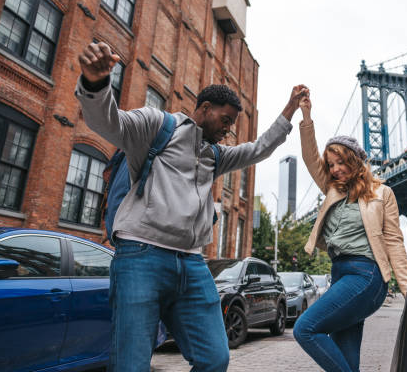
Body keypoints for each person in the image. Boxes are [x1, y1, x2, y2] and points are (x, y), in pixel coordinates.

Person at [75, 42, 307, 372]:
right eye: (226, 120)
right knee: (131, 364)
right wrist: (96, 83)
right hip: (142, 257)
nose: (229, 130)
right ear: (205, 107)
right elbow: (108, 123)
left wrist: (289, 109)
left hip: (192, 264)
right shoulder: (157, 126)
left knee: (215, 357)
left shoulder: (215, 156)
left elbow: (258, 149)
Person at [293, 91, 407, 372]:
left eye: (340, 162)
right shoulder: (332, 189)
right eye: (331, 165)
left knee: (305, 329)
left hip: (366, 276)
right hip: (340, 274)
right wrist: (306, 118)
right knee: (347, 360)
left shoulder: (383, 194)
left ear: (355, 161)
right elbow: (311, 159)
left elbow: (394, 242)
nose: (335, 170)